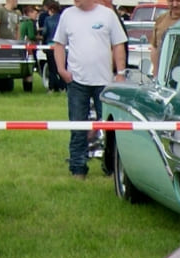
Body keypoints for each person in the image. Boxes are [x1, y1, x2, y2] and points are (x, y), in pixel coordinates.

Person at [52, 0, 126, 179]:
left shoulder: (107, 15)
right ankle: (78, 167)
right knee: (78, 125)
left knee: (110, 128)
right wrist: (61, 69)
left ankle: (111, 168)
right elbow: (59, 44)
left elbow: (118, 44)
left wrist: (121, 73)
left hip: (104, 81)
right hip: (77, 81)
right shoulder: (67, 15)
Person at [151, 0, 180, 71]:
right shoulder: (161, 19)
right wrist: (155, 71)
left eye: (179, 1)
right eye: (171, 1)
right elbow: (155, 47)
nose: (174, 4)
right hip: (163, 74)